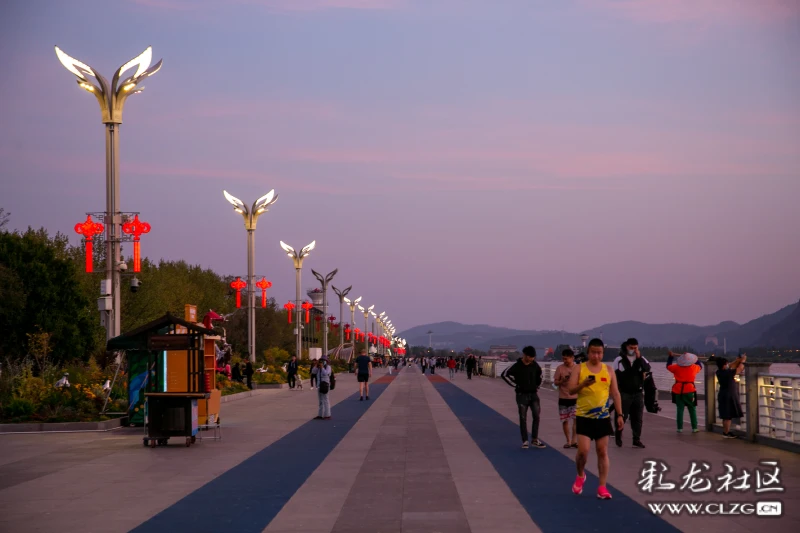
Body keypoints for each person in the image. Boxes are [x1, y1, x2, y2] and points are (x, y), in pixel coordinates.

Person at [568, 338, 624, 500]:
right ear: (588, 352)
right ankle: (580, 475)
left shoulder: (609, 370)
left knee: (602, 451)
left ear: (603, 353)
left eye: (599, 353)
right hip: (584, 416)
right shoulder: (579, 369)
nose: (596, 356)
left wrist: (619, 414)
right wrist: (583, 384)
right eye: (593, 352)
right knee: (583, 452)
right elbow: (571, 390)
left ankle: (602, 486)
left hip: (602, 417)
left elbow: (615, 394)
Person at [501, 346, 545, 449]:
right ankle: (525, 440)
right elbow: (504, 374)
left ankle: (534, 439)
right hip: (521, 395)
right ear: (525, 355)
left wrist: (537, 386)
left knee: (536, 416)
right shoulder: (517, 365)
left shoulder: (535, 365)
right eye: (530, 357)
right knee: (523, 417)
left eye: (533, 357)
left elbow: (541, 375)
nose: (532, 359)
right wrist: (516, 385)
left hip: (534, 394)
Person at [612, 338, 650, 448]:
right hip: (624, 393)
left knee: (637, 417)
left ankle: (636, 439)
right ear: (626, 347)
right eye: (631, 348)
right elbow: (613, 375)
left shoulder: (641, 359)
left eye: (635, 348)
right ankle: (618, 436)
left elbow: (647, 368)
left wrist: (639, 358)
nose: (633, 350)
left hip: (638, 393)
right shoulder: (619, 359)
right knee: (621, 416)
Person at [666, 351, 703, 433]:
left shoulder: (676, 367)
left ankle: (679, 428)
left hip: (678, 390)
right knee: (692, 409)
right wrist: (694, 357)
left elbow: (668, 366)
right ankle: (694, 427)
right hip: (690, 390)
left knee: (680, 409)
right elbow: (700, 366)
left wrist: (670, 357)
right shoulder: (694, 367)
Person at [712, 355, 745, 438]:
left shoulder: (719, 372)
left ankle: (726, 431)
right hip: (728, 396)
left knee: (725, 415)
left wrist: (737, 360)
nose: (727, 365)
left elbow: (730, 366)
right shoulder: (728, 373)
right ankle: (726, 433)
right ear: (724, 365)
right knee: (728, 416)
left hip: (723, 394)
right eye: (726, 364)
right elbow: (739, 369)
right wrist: (742, 361)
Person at [553, 348, 578, 448]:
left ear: (572, 358)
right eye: (563, 359)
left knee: (576, 420)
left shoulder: (577, 368)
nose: (565, 361)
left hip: (575, 398)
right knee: (565, 420)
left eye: (566, 359)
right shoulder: (560, 368)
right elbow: (555, 383)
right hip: (563, 397)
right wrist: (562, 381)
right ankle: (568, 441)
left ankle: (574, 440)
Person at [312, 356, 333, 420]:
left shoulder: (328, 367)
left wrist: (322, 367)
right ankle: (320, 414)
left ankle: (327, 415)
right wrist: (316, 365)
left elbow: (326, 373)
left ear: (326, 361)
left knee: (326, 400)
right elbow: (313, 372)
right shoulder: (318, 367)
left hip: (325, 385)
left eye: (323, 361)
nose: (322, 362)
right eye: (321, 360)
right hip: (319, 385)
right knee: (320, 400)